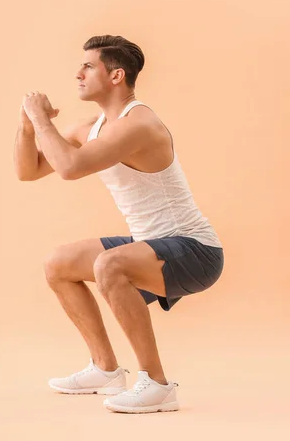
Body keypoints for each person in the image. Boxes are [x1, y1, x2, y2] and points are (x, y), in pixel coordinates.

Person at [14, 34, 224, 414]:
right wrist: (28, 125)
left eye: (88, 66)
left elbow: (70, 168)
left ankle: (158, 386)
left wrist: (41, 118)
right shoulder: (91, 127)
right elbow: (28, 171)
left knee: (108, 265)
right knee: (59, 263)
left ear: (116, 76)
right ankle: (105, 369)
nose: (77, 73)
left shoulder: (138, 122)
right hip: (151, 243)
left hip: (195, 250)